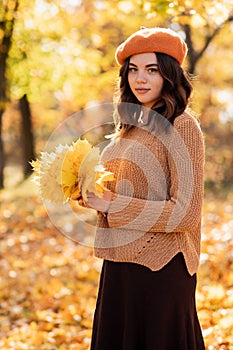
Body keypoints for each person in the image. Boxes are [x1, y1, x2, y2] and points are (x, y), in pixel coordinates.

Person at [76, 27, 205, 349]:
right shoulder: (130, 128)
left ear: (170, 74)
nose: (140, 79)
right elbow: (118, 193)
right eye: (133, 70)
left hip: (161, 268)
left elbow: (186, 213)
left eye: (152, 69)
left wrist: (113, 204)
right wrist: (91, 194)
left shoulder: (182, 125)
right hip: (120, 265)